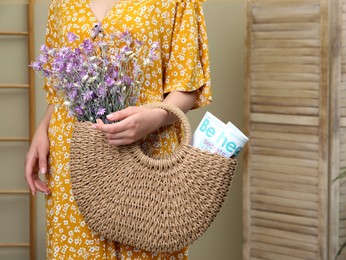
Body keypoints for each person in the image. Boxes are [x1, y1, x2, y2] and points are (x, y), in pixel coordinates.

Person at [24, 0, 212, 258]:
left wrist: (154, 118)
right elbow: (63, 84)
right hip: (74, 161)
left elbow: (187, 84)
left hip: (148, 159)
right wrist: (43, 128)